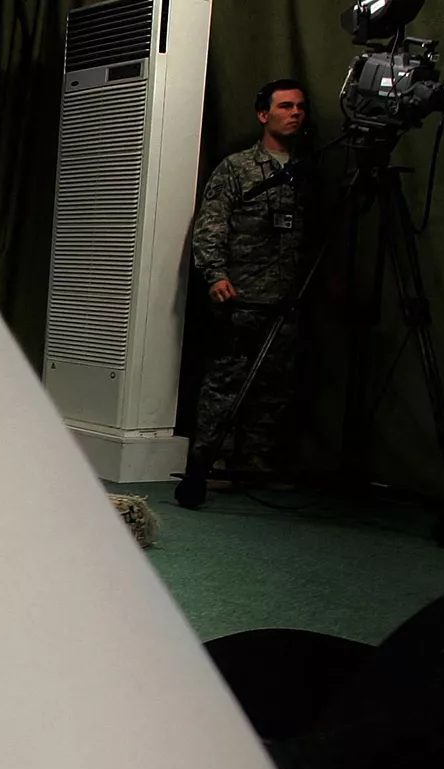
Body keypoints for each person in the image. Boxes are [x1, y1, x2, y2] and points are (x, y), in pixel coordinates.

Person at [190, 79, 310, 479]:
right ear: (264, 115)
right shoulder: (238, 168)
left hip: (285, 299)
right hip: (239, 296)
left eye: (300, 108)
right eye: (286, 106)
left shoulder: (306, 171)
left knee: (274, 387)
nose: (295, 113)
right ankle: (212, 461)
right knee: (226, 382)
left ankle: (255, 462)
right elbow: (212, 224)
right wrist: (214, 274)